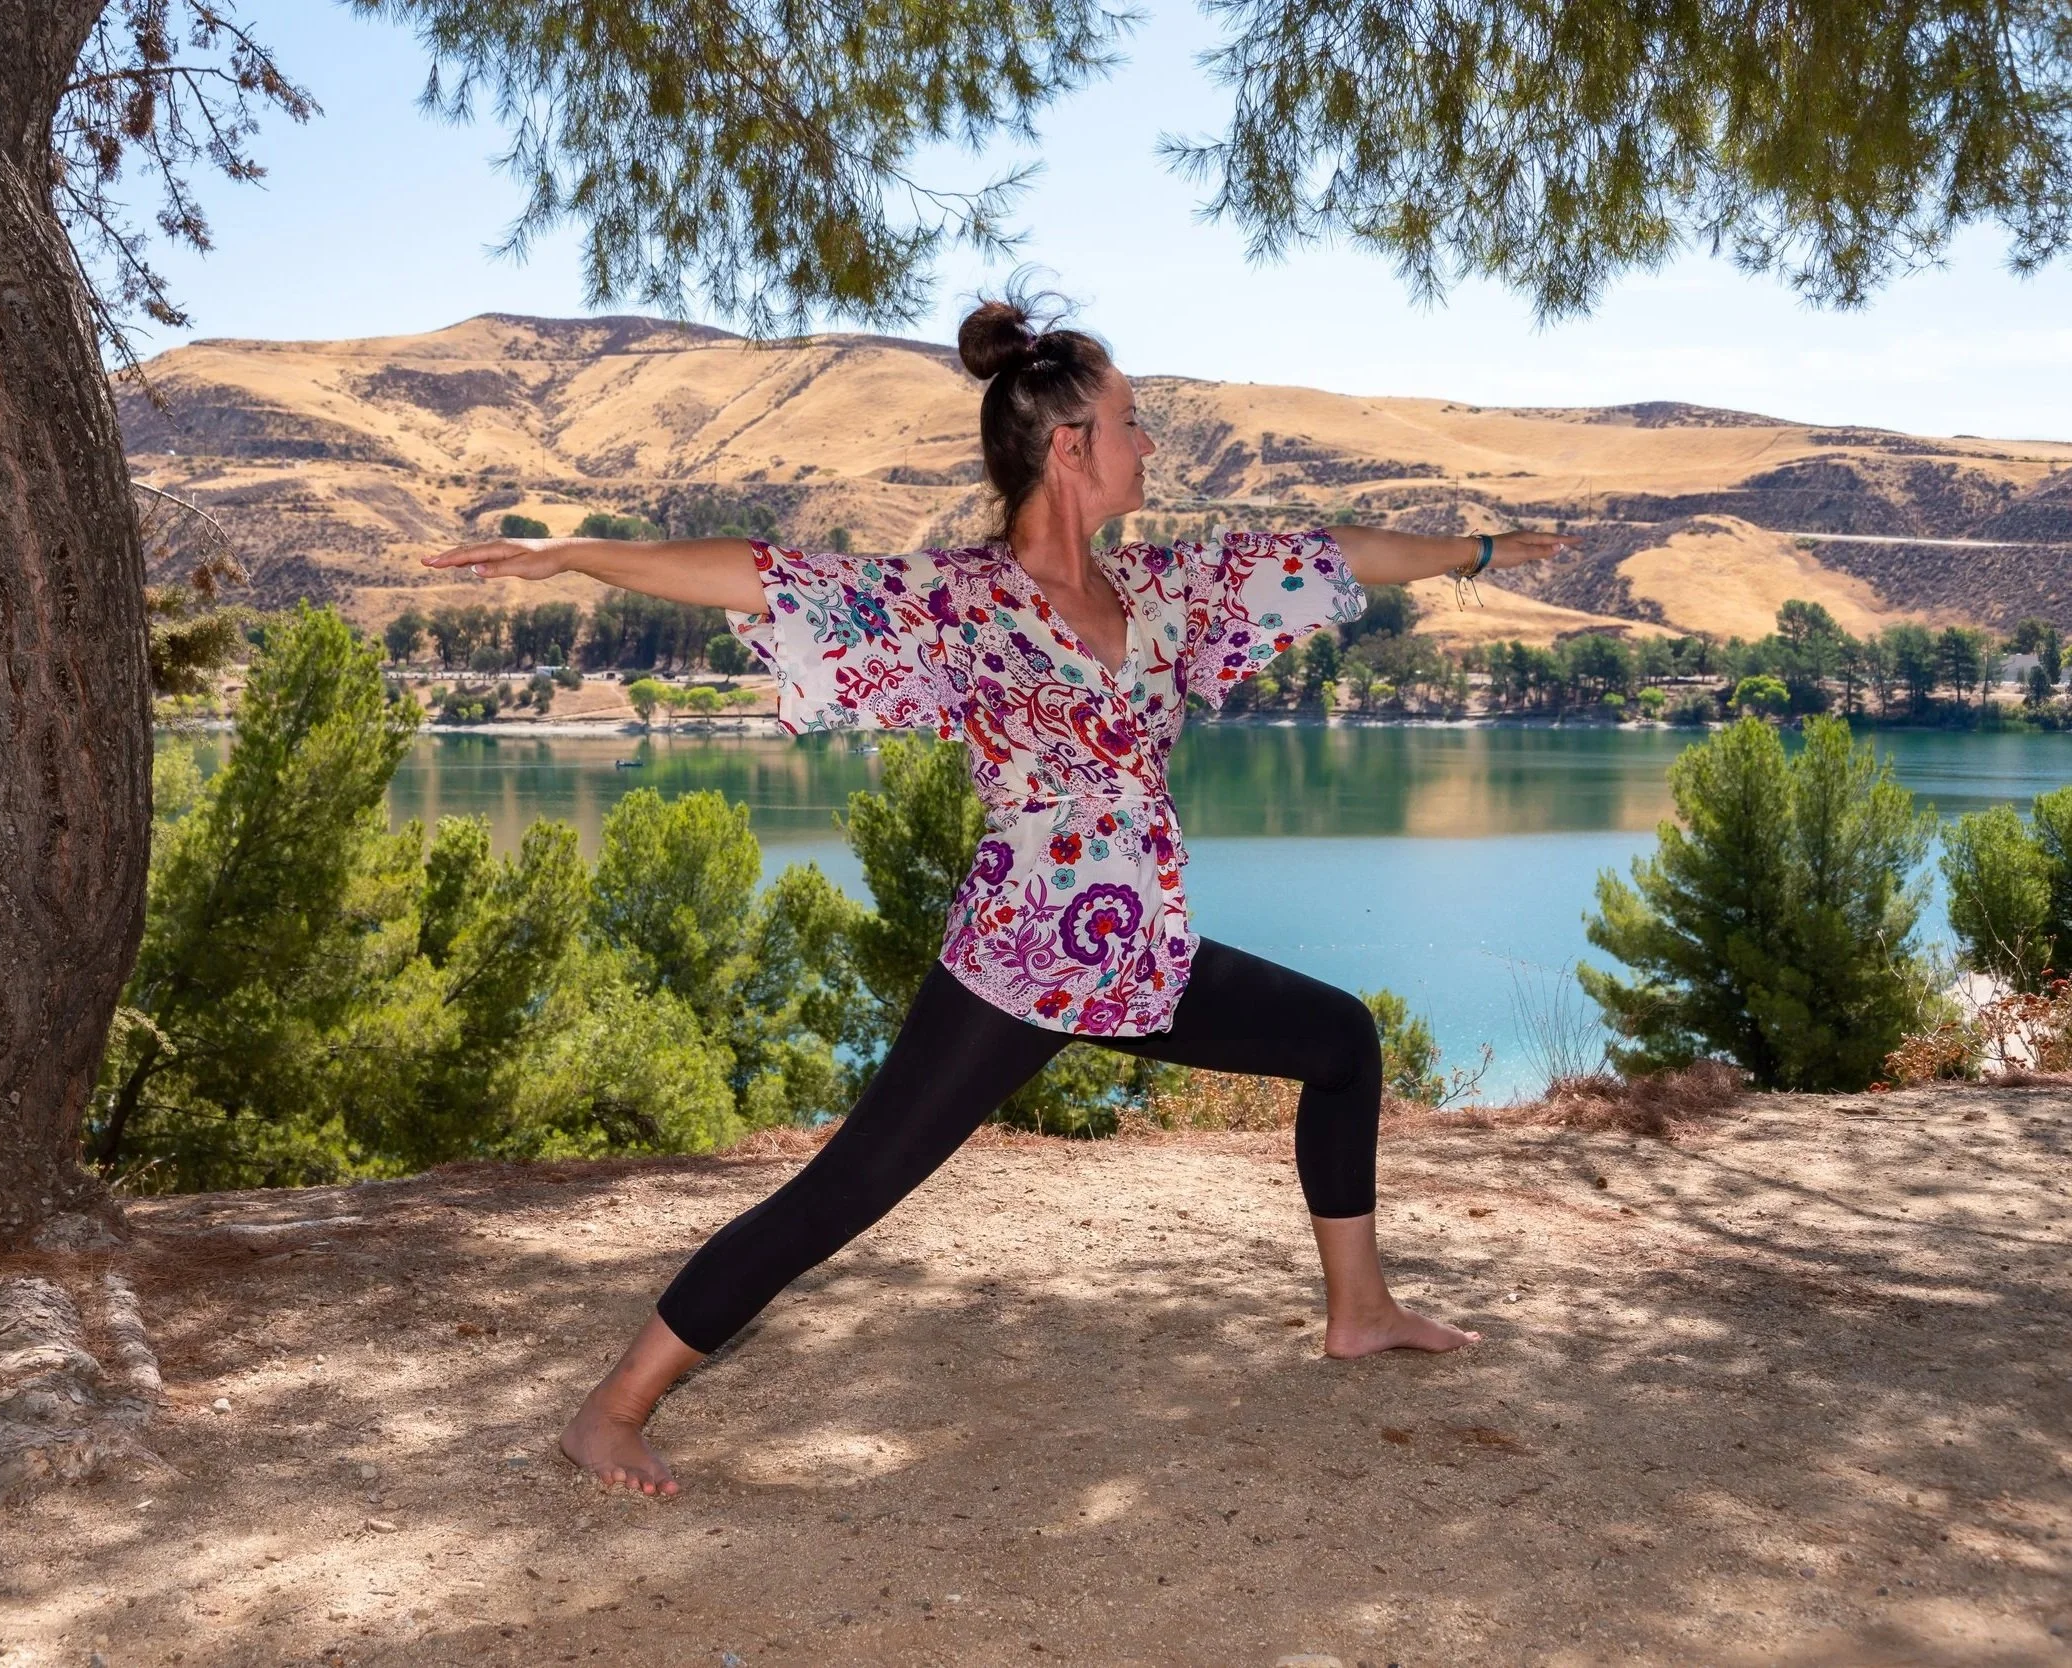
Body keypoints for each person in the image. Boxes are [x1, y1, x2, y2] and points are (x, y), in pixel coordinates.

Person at [424, 293, 1573, 1496]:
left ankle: (1361, 1310)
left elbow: (1333, 557)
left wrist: (1482, 553)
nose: (1149, 446)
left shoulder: (1168, 592)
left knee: (1339, 1039)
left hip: (1137, 954)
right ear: (1069, 444)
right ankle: (608, 1411)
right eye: (1131, 423)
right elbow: (759, 579)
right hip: (1022, 959)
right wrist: (569, 554)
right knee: (850, 1187)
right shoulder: (957, 602)